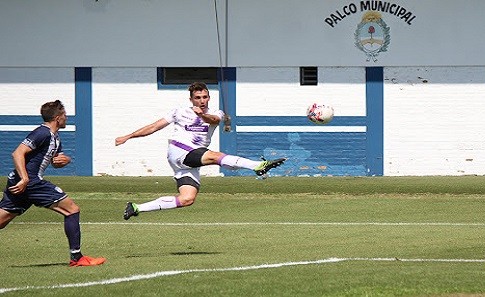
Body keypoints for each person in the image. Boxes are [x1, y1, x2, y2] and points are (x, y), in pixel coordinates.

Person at [115, 82, 286, 220]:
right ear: (191, 99)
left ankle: (136, 208)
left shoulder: (215, 112)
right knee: (214, 156)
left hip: (189, 162)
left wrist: (201, 116)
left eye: (204, 97)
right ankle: (257, 166)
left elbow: (213, 120)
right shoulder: (179, 112)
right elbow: (153, 127)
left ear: (209, 97)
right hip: (179, 151)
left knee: (187, 198)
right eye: (197, 98)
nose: (202, 101)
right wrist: (128, 136)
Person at [0, 100, 106, 267]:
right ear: (57, 118)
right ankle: (77, 258)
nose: (67, 117)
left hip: (22, 182)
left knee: (2, 220)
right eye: (64, 115)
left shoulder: (54, 137)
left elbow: (56, 161)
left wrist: (65, 160)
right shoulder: (42, 133)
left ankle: (77, 258)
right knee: (72, 210)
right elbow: (17, 153)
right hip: (31, 182)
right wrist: (25, 179)